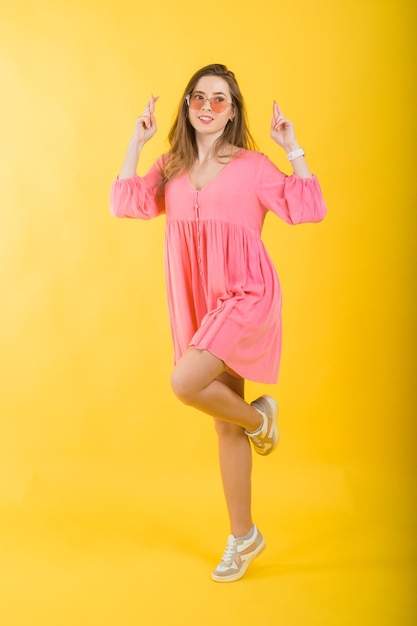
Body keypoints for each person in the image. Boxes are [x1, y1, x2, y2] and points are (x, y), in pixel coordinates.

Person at [110, 63, 327, 583]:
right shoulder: (172, 165)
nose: (208, 106)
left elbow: (309, 206)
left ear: (232, 113)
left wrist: (291, 147)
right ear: (187, 105)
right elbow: (126, 202)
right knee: (224, 425)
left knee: (185, 383)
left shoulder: (253, 165)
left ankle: (262, 422)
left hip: (246, 295)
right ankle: (244, 536)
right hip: (198, 303)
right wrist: (136, 145)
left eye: (220, 100)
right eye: (199, 97)